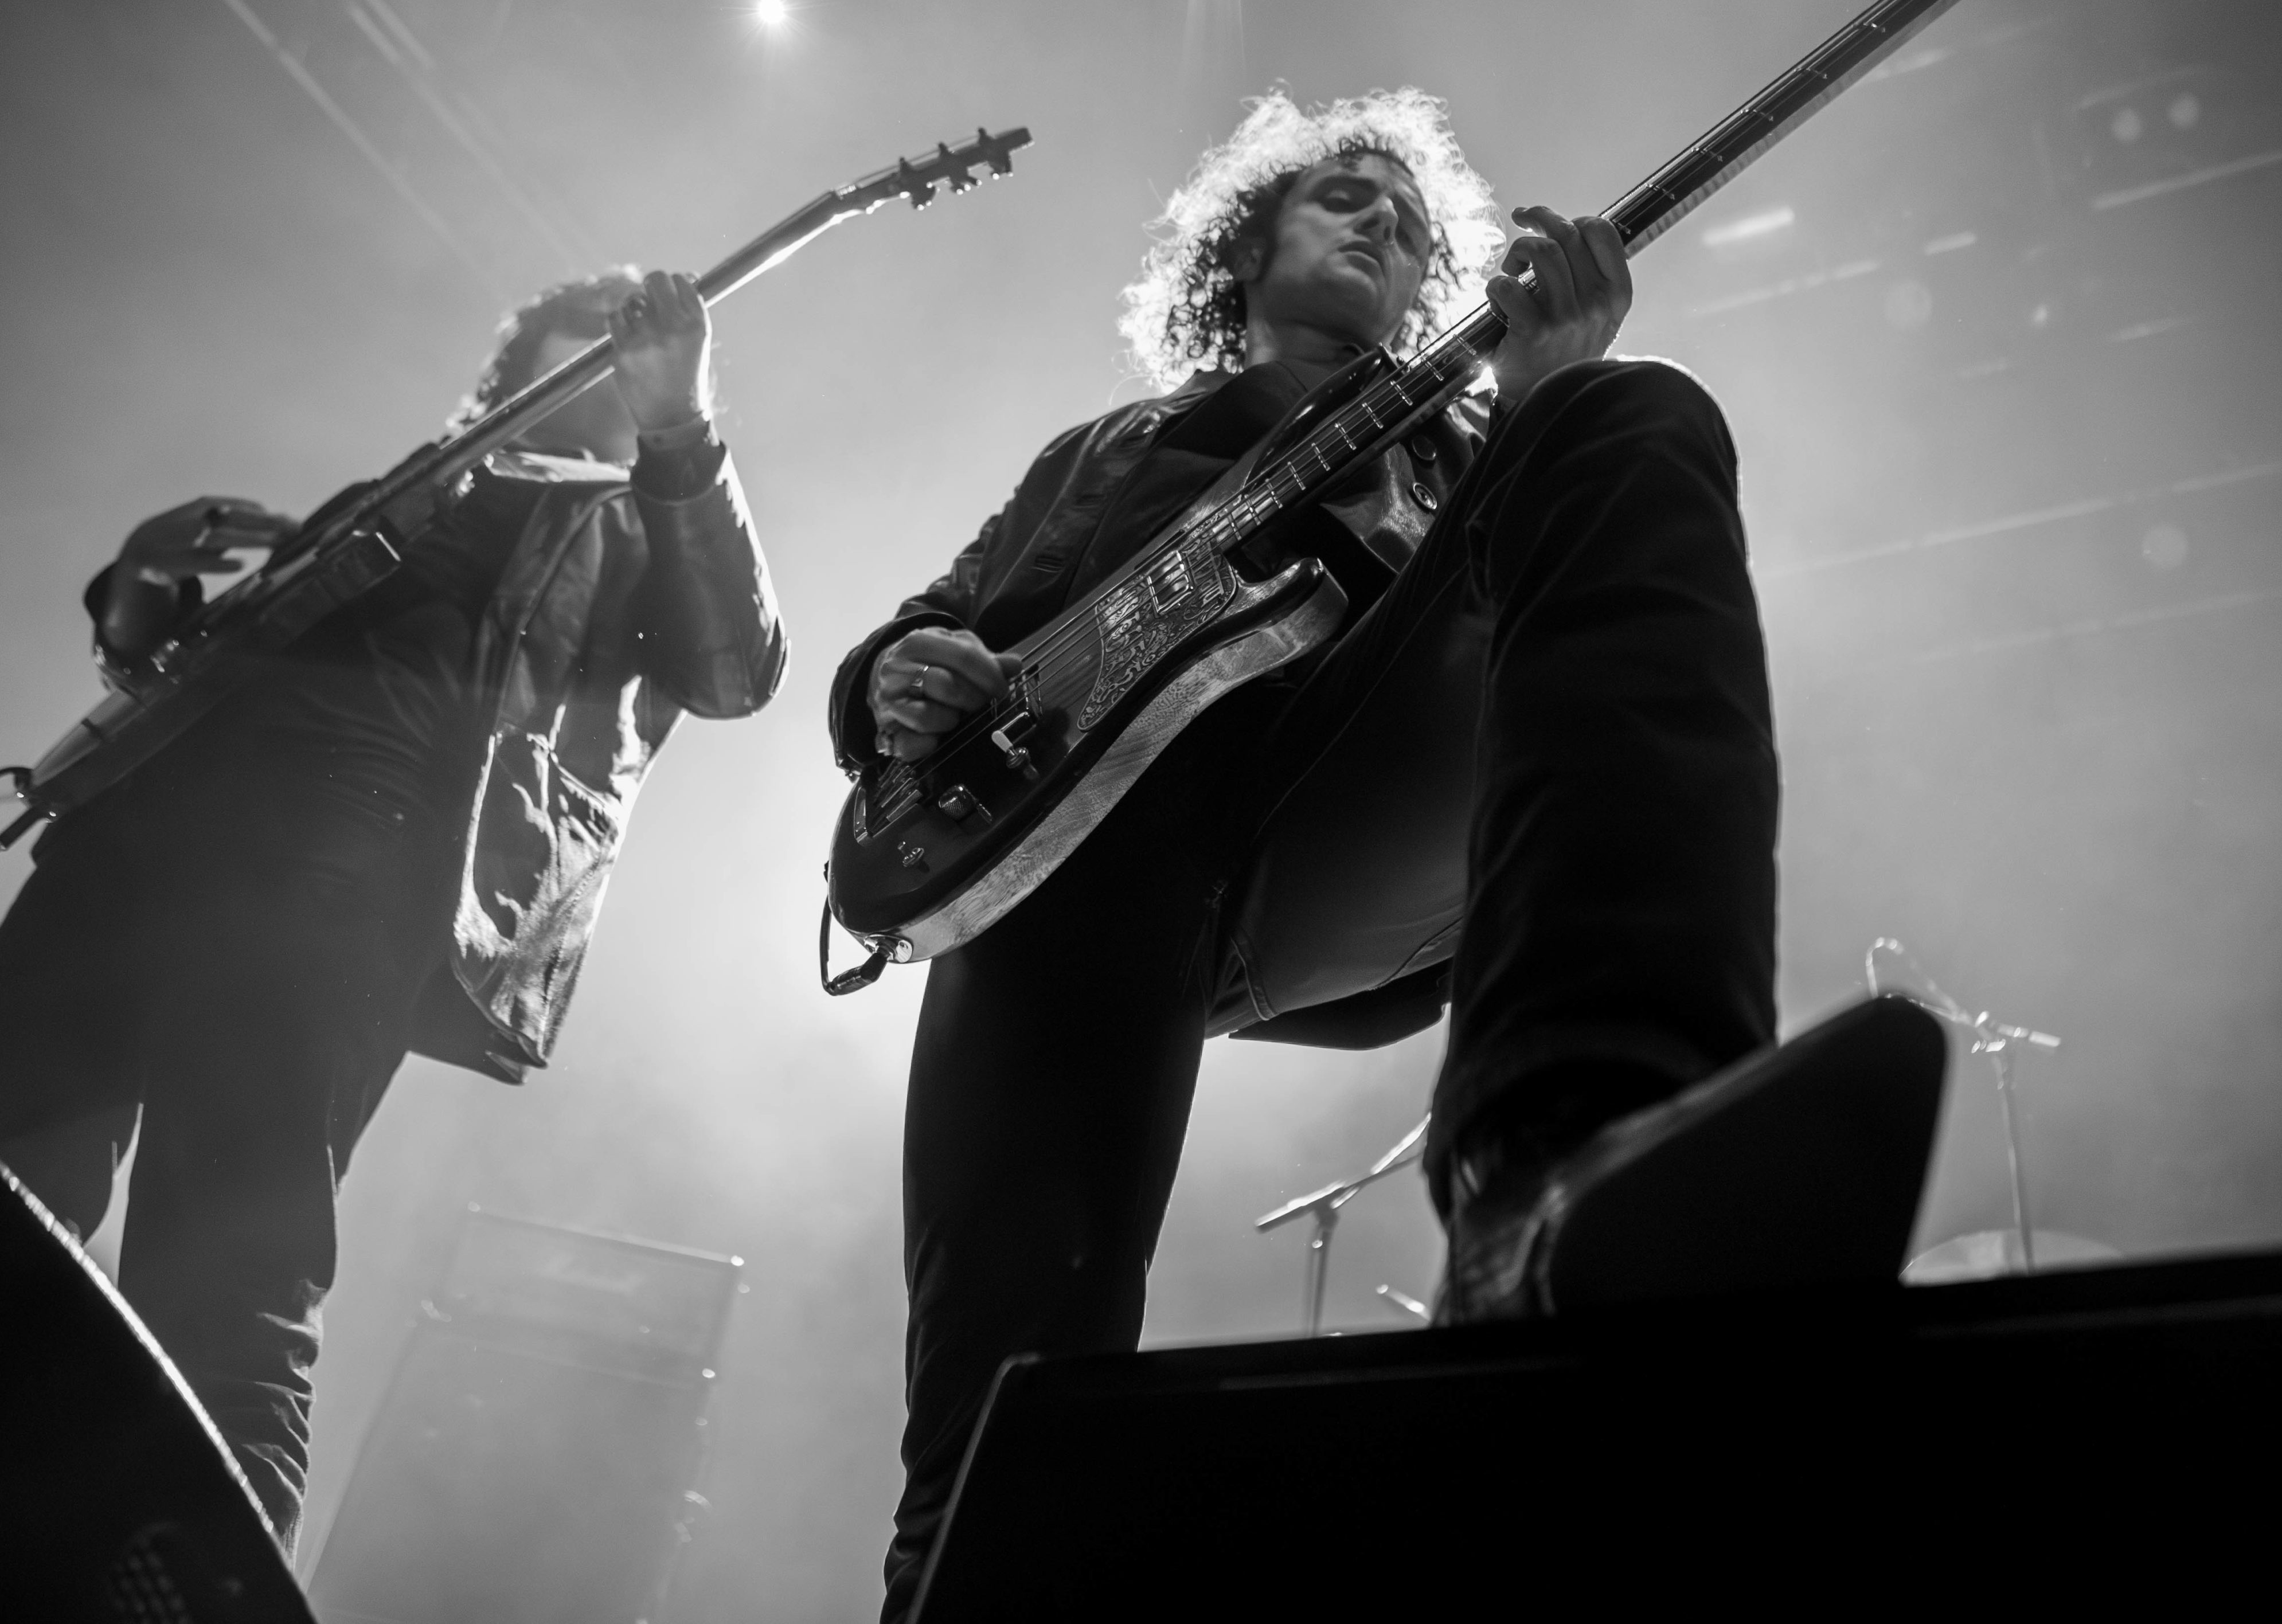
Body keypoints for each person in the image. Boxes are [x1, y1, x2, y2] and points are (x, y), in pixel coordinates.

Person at [830, 89, 1939, 1611]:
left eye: (1414, 227)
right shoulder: (1102, 450)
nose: (1385, 225)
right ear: (1248, 244)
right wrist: (895, 676)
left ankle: (1565, 1164)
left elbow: (1515, 615)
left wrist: (1543, 394)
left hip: (1329, 805)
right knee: (994, 1421)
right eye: (1346, 197)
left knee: (1631, 414)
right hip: (1070, 863)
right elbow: (945, 612)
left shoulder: (1452, 442)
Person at [0, 269, 785, 1543]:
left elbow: (735, 669)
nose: (588, 388)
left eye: (621, 374)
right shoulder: (395, 495)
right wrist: (141, 582)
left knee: (225, 1274)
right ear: (508, 377)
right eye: (568, 364)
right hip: (131, 841)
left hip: (340, 876)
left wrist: (682, 429)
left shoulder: (639, 520)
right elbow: (184, 665)